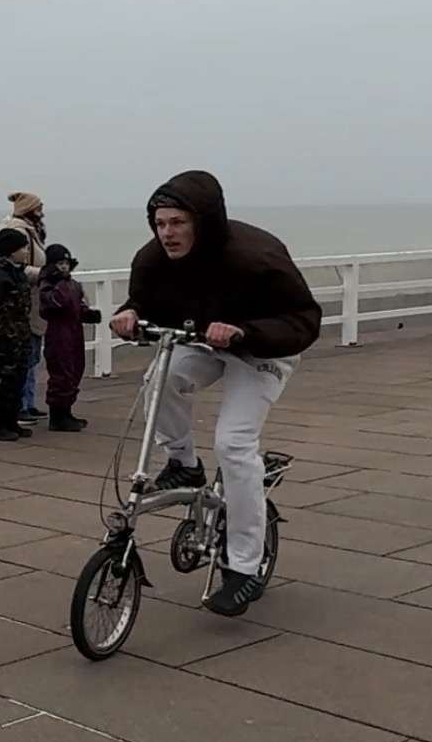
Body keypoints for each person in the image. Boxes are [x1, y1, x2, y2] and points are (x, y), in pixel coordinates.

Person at [110, 171, 322, 617]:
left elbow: (304, 319)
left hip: (263, 348)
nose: (166, 233)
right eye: (160, 223)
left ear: (202, 221)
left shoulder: (256, 255)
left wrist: (245, 331)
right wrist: (130, 312)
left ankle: (243, 567)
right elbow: (147, 301)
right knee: (159, 379)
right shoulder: (152, 259)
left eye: (177, 223)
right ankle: (183, 464)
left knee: (233, 444)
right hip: (204, 342)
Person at [37, 243, 103, 433]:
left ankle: (66, 411)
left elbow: (77, 306)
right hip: (58, 333)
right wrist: (61, 285)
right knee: (61, 373)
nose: (64, 267)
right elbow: (52, 305)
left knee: (75, 370)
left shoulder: (73, 285)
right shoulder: (49, 285)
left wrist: (88, 314)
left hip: (74, 332)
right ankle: (57, 416)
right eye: (60, 264)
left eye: (66, 263)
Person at [0, 228, 37, 442]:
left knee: (18, 379)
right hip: (4, 337)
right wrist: (2, 337)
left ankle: (11, 421)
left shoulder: (16, 271)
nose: (26, 251)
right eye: (23, 248)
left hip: (20, 335)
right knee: (2, 381)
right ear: (12, 250)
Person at [0, 192, 49, 423]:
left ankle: (28, 401)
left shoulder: (29, 229)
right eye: (39, 207)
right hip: (26, 302)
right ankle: (21, 405)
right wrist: (45, 275)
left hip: (33, 301)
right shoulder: (19, 231)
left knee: (32, 354)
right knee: (25, 355)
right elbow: (19, 267)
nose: (42, 211)